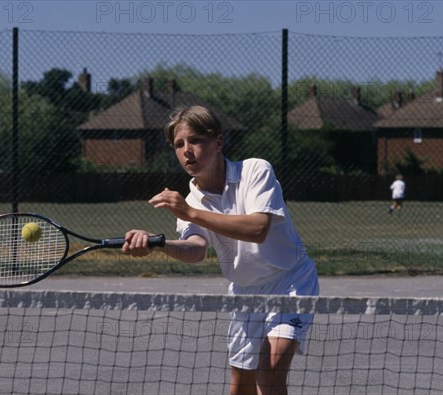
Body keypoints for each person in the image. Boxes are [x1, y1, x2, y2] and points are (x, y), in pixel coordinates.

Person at [122, 105, 319, 395]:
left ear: (218, 142)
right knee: (241, 386)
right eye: (179, 144)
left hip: (290, 282)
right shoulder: (190, 203)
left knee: (270, 371)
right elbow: (196, 249)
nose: (187, 151)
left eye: (195, 140)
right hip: (245, 292)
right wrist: (159, 244)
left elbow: (257, 229)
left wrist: (191, 212)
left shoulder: (255, 170)